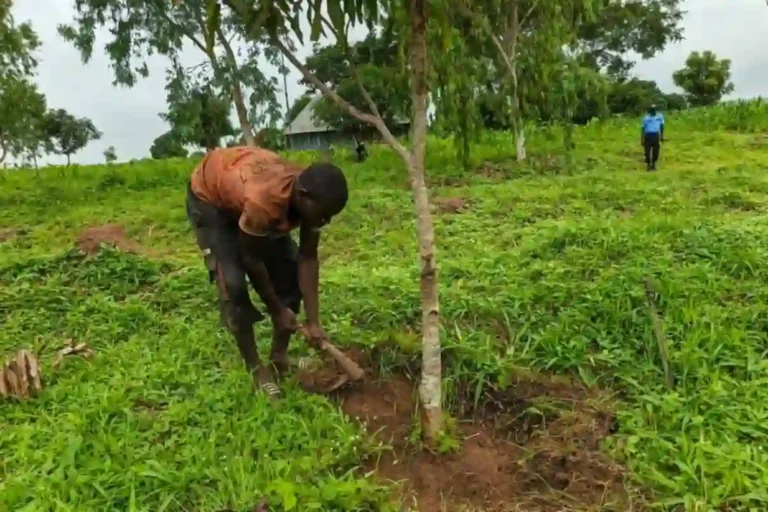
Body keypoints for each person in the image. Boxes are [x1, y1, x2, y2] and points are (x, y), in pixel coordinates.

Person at [185, 146, 348, 399]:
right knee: (233, 285)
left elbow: (308, 257)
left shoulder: (310, 195)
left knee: (292, 273)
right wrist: (276, 309)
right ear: (302, 196)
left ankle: (279, 358)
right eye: (323, 216)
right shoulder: (266, 201)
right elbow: (249, 257)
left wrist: (314, 322)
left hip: (244, 196)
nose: (324, 222)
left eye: (329, 217)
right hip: (211, 201)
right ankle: (256, 369)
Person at [641, 104, 665, 171]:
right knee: (647, 152)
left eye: (654, 110)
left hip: (656, 135)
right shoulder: (645, 118)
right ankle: (648, 165)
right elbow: (643, 129)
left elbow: (662, 127)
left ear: (656, 110)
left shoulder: (660, 117)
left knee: (656, 152)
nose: (653, 111)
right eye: (652, 110)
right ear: (649, 110)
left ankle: (654, 164)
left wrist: (662, 136)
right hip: (648, 135)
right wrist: (642, 139)